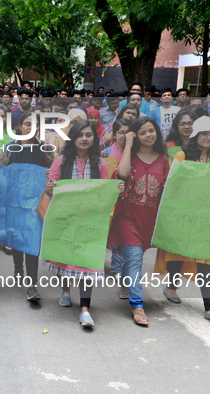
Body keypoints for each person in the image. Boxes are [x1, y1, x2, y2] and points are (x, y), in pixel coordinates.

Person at [155, 116, 210, 323]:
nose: (208, 137)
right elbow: (171, 185)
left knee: (205, 258)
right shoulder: (182, 156)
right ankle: (171, 287)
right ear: (195, 136)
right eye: (204, 133)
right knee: (179, 253)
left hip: (206, 220)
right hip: (183, 216)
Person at [45, 120, 124, 327]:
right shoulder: (61, 161)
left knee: (86, 262)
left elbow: (104, 193)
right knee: (64, 259)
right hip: (65, 218)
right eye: (80, 135)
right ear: (73, 138)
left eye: (88, 135)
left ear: (94, 138)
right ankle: (64, 290)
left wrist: (116, 189)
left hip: (90, 221)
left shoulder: (101, 164)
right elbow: (49, 190)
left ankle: (85, 308)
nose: (84, 139)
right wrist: (51, 188)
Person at [108, 117, 170, 326]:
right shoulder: (130, 157)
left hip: (149, 220)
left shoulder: (164, 159)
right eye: (142, 132)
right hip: (127, 216)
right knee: (135, 259)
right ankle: (137, 305)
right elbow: (123, 173)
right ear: (136, 136)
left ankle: (125, 283)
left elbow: (171, 189)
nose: (148, 135)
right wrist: (127, 145)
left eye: (151, 130)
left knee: (133, 258)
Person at [0, 111, 54, 301]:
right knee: (16, 236)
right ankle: (17, 268)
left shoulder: (47, 150)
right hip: (14, 202)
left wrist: (50, 179)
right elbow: (1, 171)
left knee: (31, 241)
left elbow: (54, 174)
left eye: (35, 125)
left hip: (35, 203)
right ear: (20, 127)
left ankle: (32, 285)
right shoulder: (9, 148)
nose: (31, 128)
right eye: (27, 124)